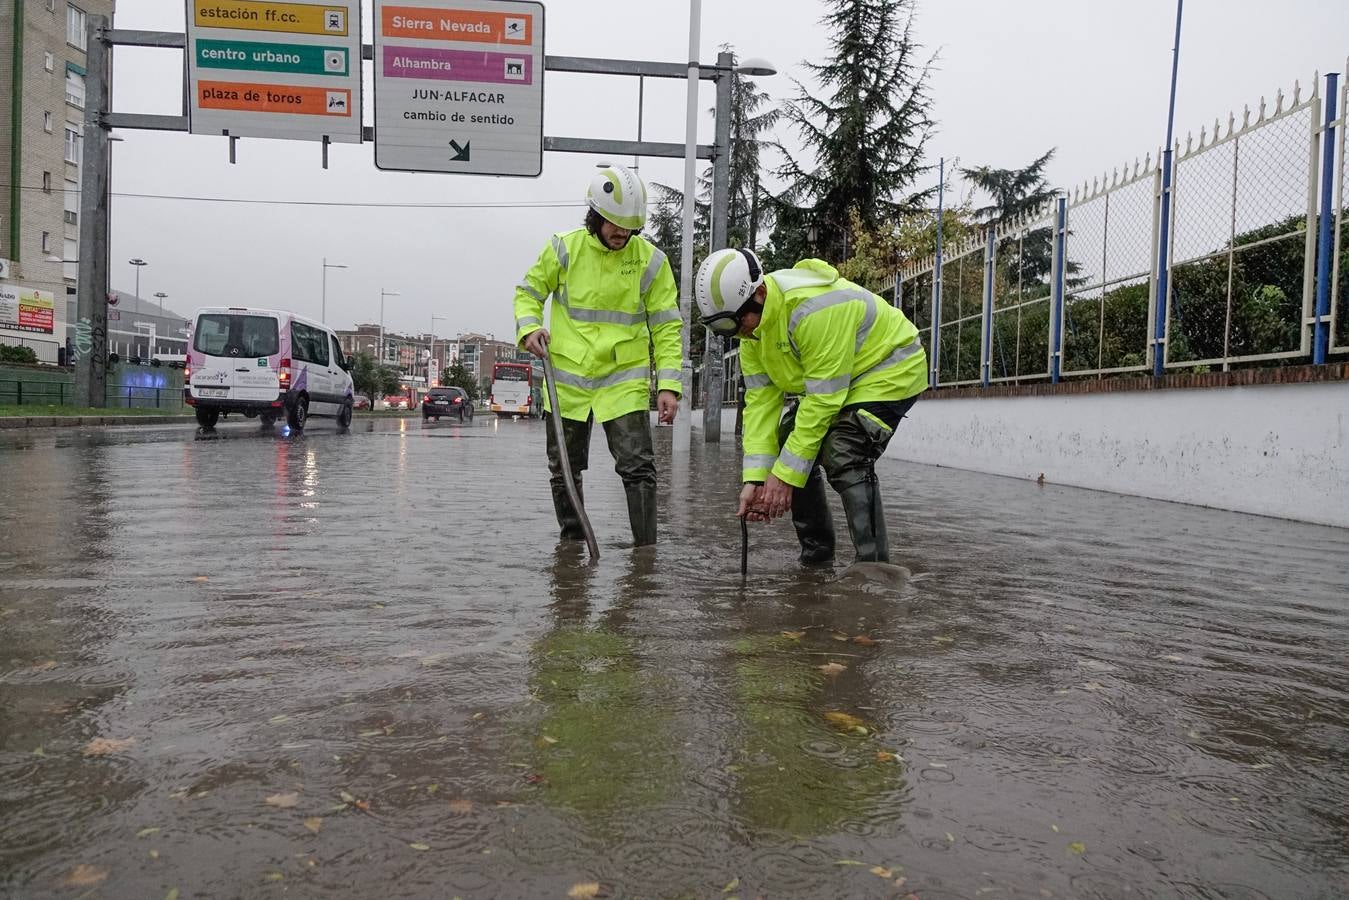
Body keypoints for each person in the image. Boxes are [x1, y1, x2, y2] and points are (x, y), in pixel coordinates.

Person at [694, 248, 927, 564]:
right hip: (842, 383)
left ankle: (875, 569)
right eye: (720, 329)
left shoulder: (812, 310)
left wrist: (787, 476)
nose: (735, 334)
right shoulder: (753, 335)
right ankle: (816, 559)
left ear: (759, 293)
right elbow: (761, 406)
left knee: (846, 450)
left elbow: (822, 401)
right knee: (788, 437)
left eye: (733, 323)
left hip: (891, 368)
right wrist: (756, 478)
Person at [514, 165, 682, 546]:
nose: (622, 233)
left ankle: (645, 555)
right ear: (595, 216)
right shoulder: (564, 247)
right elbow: (528, 292)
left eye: (630, 227)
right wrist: (529, 328)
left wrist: (669, 384)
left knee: (639, 469)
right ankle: (573, 547)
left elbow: (667, 327)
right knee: (564, 470)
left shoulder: (651, 262)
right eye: (614, 224)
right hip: (567, 384)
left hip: (622, 384)